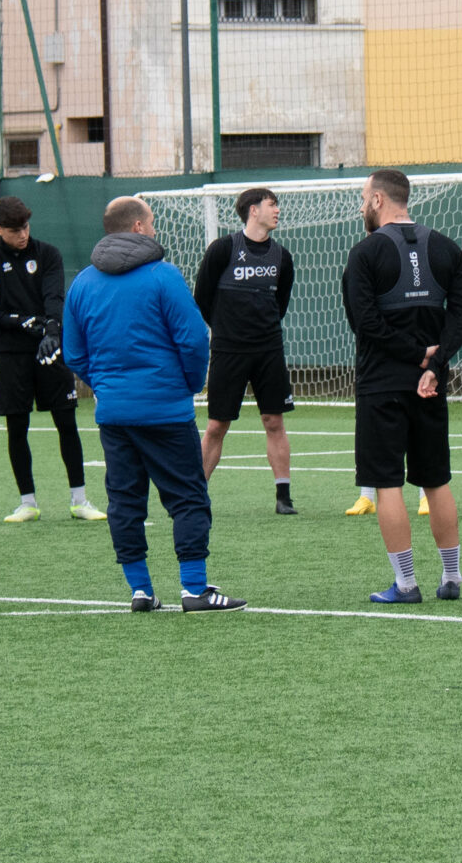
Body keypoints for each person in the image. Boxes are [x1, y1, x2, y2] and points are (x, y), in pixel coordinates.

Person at [65, 196, 245, 611]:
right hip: (165, 410)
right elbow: (195, 338)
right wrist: (188, 383)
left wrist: (107, 386)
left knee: (124, 501)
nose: (156, 229)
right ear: (137, 228)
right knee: (188, 497)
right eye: (152, 223)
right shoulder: (163, 276)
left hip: (114, 413)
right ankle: (195, 589)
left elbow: (75, 354)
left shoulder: (83, 284)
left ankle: (140, 591)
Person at [342, 169, 462, 604]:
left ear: (378, 199)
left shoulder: (365, 252)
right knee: (436, 480)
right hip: (430, 384)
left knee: (387, 484)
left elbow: (364, 323)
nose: (363, 204)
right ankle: (452, 579)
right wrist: (434, 362)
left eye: (365, 197)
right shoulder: (447, 247)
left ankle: (405, 584)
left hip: (383, 383)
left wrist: (416, 355)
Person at [0, 196, 104, 523]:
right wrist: (19, 322)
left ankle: (79, 500)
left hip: (50, 351)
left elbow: (54, 296)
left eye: (26, 227)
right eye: (15, 229)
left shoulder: (47, 253)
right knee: (16, 427)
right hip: (11, 355)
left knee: (66, 422)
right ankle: (28, 502)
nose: (22, 234)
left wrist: (51, 331)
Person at [194, 186, 298, 512]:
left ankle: (283, 497)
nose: (278, 210)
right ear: (253, 210)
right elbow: (202, 299)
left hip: (269, 350)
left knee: (274, 421)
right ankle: (195, 495)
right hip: (228, 351)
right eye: (272, 204)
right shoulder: (223, 249)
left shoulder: (282, 256)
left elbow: (279, 304)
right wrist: (227, 330)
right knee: (216, 426)